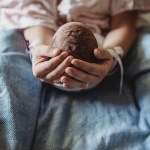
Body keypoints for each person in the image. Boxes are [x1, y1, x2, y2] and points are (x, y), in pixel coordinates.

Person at [0, 0, 150, 149]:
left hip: (108, 42)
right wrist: (40, 47)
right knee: (5, 51)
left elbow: (123, 23)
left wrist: (112, 54)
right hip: (42, 39)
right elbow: (32, 11)